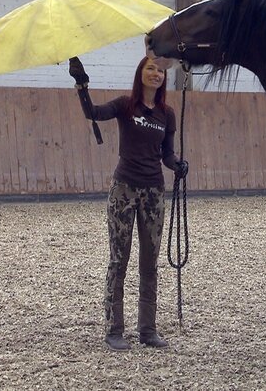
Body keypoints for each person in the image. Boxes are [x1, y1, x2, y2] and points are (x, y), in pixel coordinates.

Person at [69, 55, 188, 351]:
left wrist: (177, 165)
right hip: (124, 189)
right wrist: (82, 85)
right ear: (140, 73)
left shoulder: (167, 114)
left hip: (153, 192)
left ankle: (148, 329)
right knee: (118, 260)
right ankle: (114, 329)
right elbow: (94, 113)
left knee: (149, 263)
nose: (156, 74)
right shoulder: (125, 105)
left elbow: (166, 154)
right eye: (151, 68)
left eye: (160, 71)